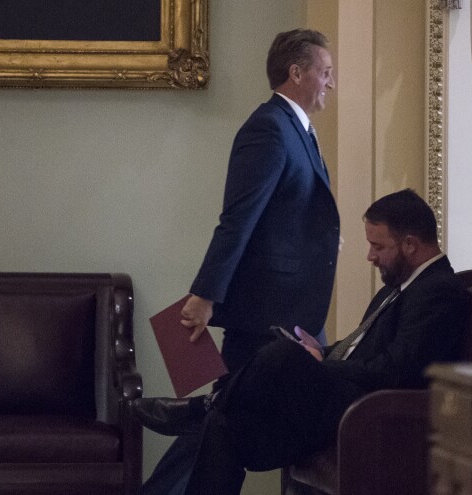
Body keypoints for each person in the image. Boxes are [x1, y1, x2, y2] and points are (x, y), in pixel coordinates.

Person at [136, 189, 470, 495]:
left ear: (411, 244)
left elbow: (397, 369)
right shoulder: (402, 284)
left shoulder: (437, 291)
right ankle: (209, 409)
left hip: (370, 412)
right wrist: (321, 352)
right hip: (345, 401)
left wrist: (324, 365)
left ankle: (202, 405)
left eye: (379, 246)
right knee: (225, 425)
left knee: (282, 354)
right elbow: (365, 346)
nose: (370, 256)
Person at [137, 28, 339, 494]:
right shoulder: (267, 128)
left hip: (294, 308)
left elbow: (283, 215)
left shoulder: (299, 130)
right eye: (325, 73)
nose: (331, 82)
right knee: (227, 420)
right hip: (268, 315)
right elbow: (237, 220)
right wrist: (205, 296)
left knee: (228, 419)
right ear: (297, 72)